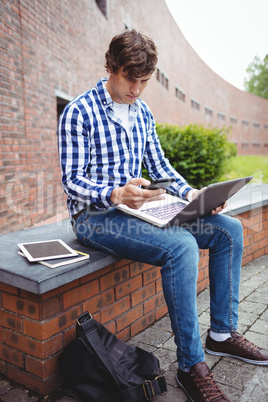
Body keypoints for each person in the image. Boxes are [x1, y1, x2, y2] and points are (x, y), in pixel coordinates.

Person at [58, 29, 268, 402]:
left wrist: (194, 195)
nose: (136, 89)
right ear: (110, 66)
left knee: (228, 229)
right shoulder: (79, 111)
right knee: (182, 246)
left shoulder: (142, 112)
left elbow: (160, 165)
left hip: (141, 209)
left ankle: (221, 334)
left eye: (144, 81)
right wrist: (113, 192)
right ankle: (190, 365)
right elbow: (72, 181)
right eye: (129, 78)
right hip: (96, 216)